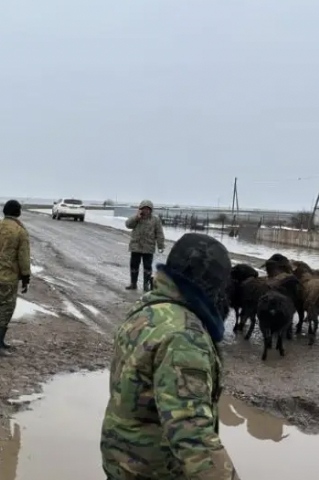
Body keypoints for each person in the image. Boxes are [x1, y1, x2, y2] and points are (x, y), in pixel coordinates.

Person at [101, 232, 239, 480]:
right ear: (213, 286)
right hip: (155, 469)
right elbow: (191, 431)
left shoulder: (148, 310)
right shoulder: (185, 336)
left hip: (122, 457)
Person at [0, 199, 31, 357]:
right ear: (18, 212)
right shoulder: (20, 231)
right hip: (7, 278)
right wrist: (26, 277)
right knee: (5, 309)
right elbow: (23, 257)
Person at [125, 199, 166, 291]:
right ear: (140, 209)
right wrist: (136, 217)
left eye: (148, 209)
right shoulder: (136, 218)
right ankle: (133, 283)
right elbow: (128, 225)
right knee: (134, 266)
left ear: (151, 210)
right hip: (136, 247)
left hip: (148, 248)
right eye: (144, 209)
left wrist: (161, 245)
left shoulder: (155, 220)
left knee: (147, 268)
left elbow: (159, 233)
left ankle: (146, 285)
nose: (146, 211)